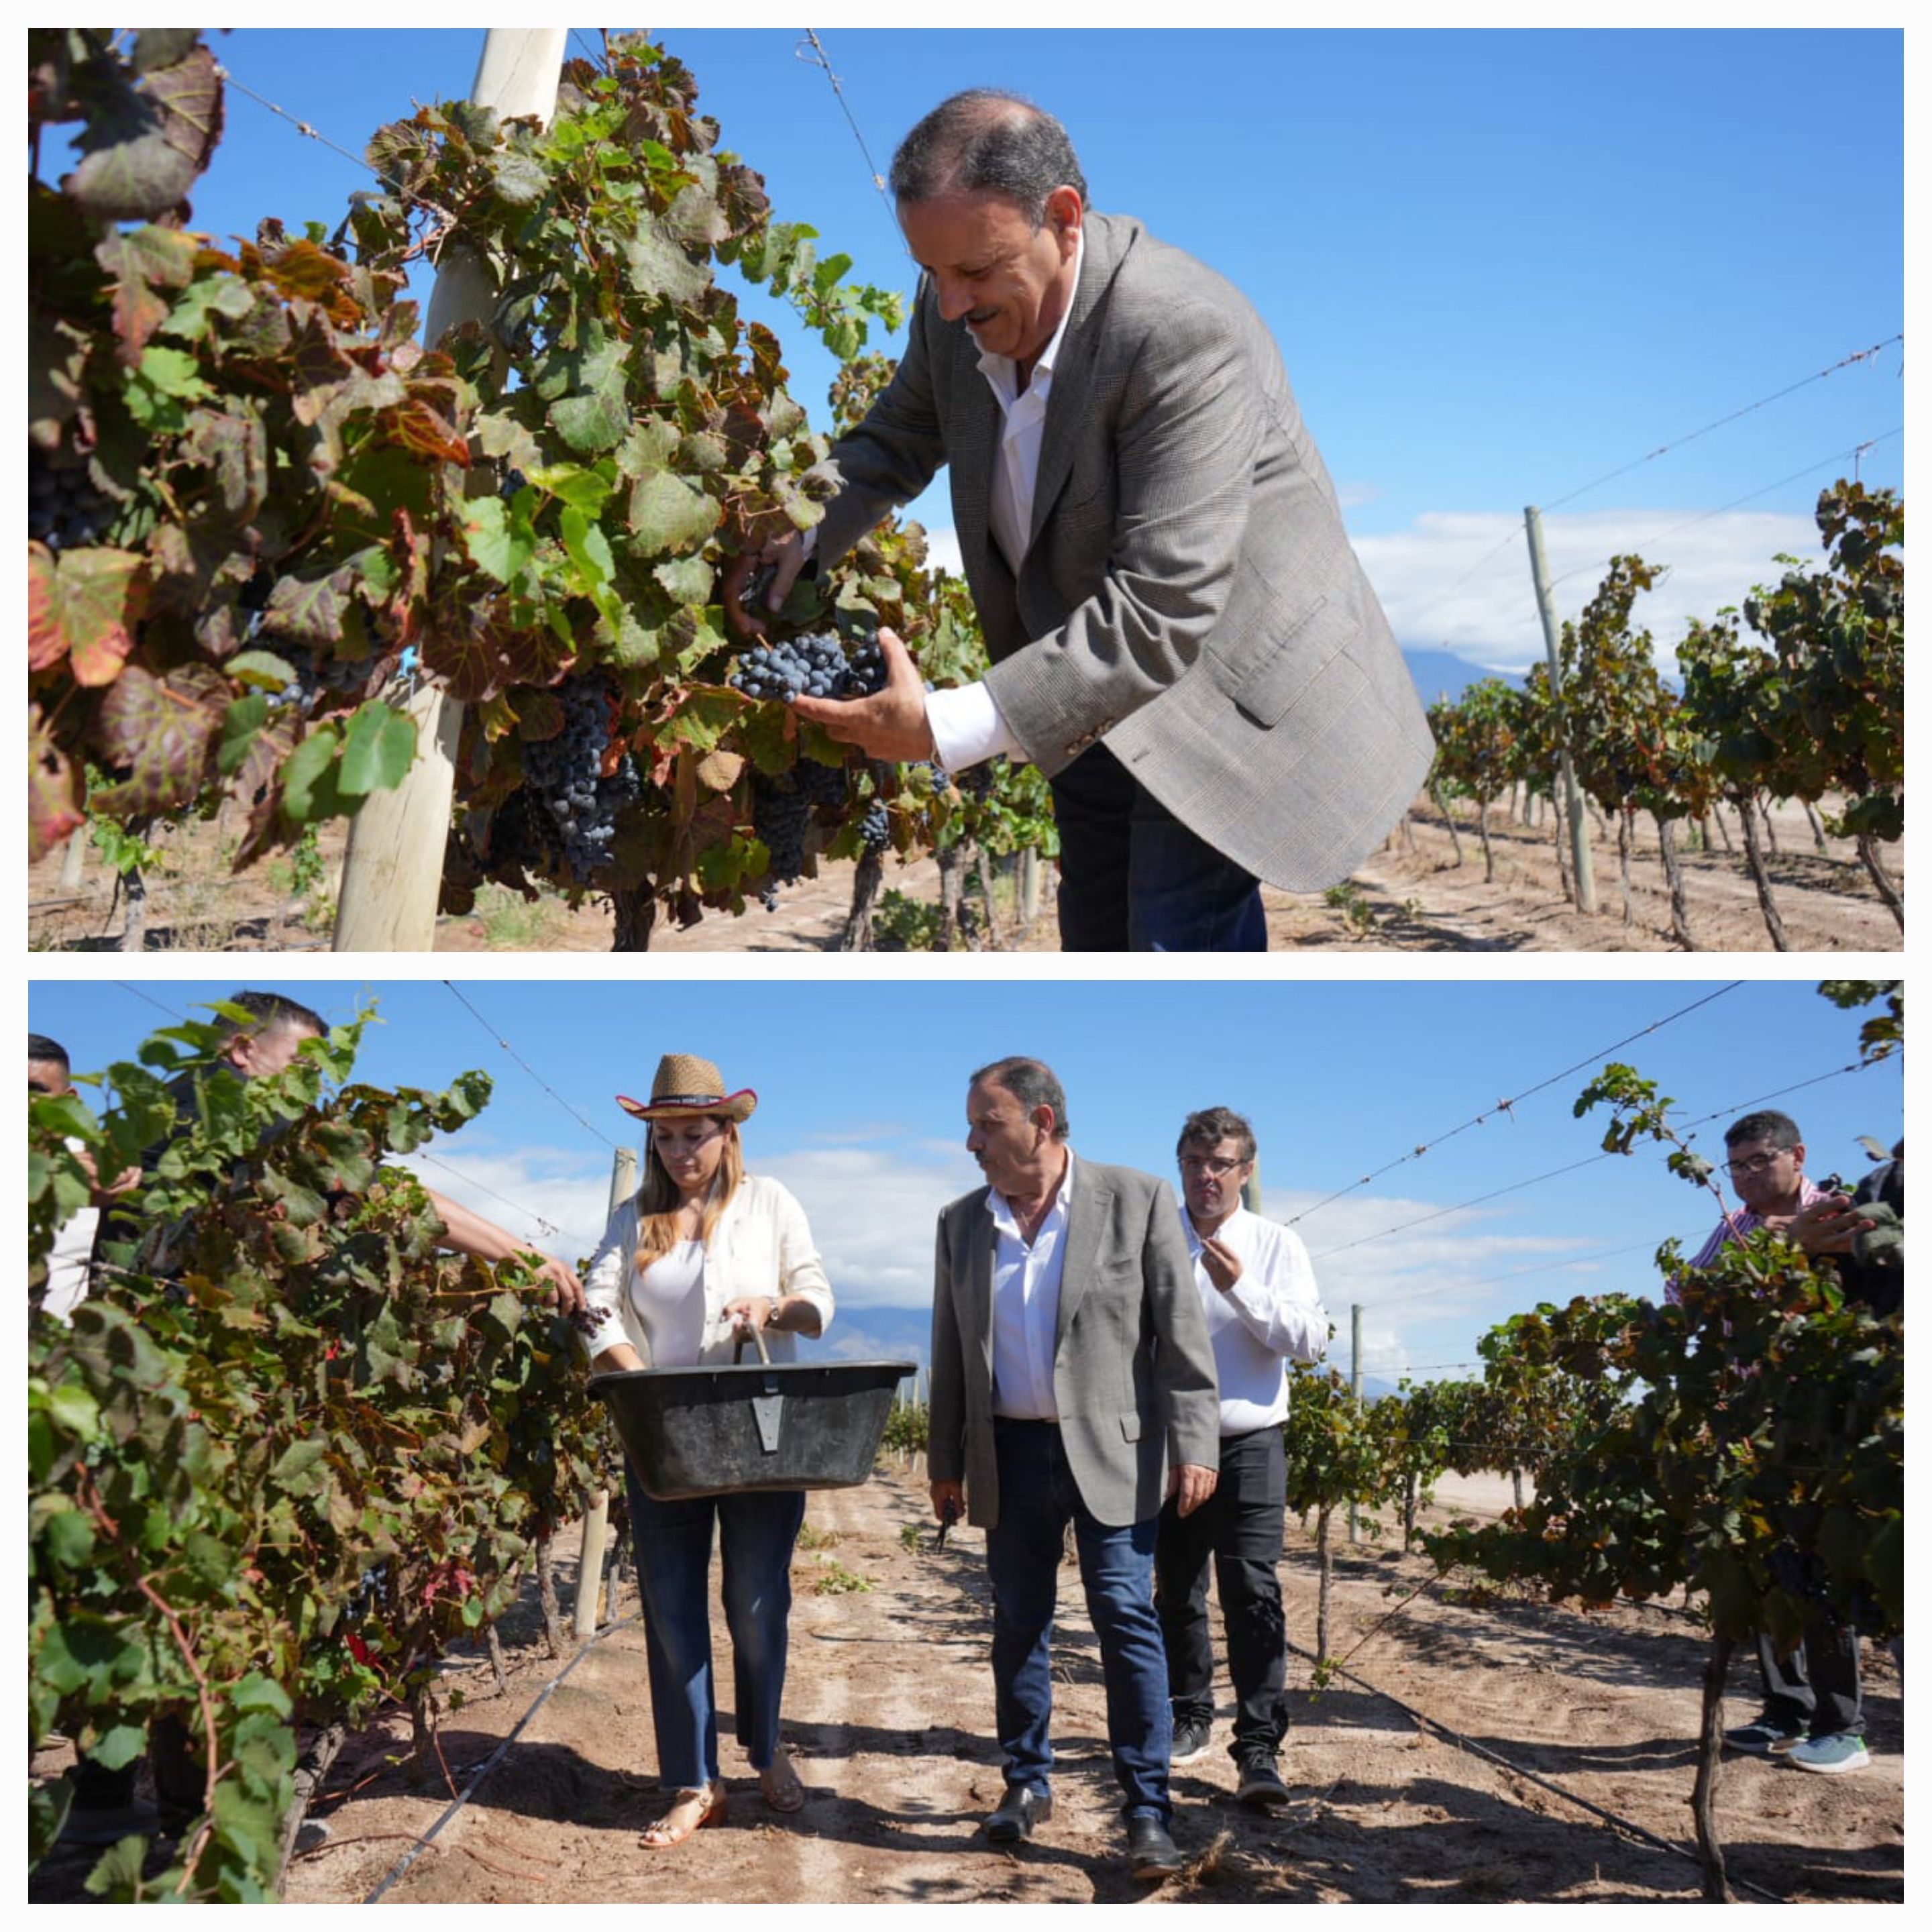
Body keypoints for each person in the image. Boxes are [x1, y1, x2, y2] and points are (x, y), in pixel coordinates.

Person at [728, 89, 1434, 953]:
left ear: (1063, 218)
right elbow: (896, 439)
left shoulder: (1180, 329)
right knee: (1098, 939)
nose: (950, 305)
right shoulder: (951, 309)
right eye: (932, 273)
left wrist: (945, 726)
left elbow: (1166, 606)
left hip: (1214, 692)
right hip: (1079, 690)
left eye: (977, 272)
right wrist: (793, 536)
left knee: (1174, 946)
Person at [928, 1055, 1220, 1880]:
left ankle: (1146, 1811)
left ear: (1043, 1123)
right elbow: (950, 1349)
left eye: (988, 1124)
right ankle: (1026, 1784)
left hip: (1114, 1449)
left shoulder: (1137, 1199)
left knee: (1126, 1619)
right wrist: (944, 1459)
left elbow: (1182, 1336)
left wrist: (1196, 1443)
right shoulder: (961, 1222)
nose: (972, 1141)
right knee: (1018, 1624)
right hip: (1008, 1452)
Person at [580, 1053, 835, 1847]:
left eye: (696, 1135)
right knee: (672, 1612)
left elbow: (819, 1299)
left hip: (759, 1432)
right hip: (663, 1436)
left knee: (757, 1605)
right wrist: (640, 1379)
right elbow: (594, 1305)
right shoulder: (633, 1218)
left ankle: (765, 1750)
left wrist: (775, 1305)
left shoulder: (771, 1203)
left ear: (729, 1135)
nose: (681, 1152)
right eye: (666, 1139)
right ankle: (695, 1781)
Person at [92, 991, 584, 1315]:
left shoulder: (182, 1099)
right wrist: (519, 1256)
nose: (312, 1087)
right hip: (160, 1318)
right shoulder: (228, 1095)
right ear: (244, 1050)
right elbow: (380, 1193)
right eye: (301, 1065)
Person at [1680, 1111, 1872, 1776]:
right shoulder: (1734, 1228)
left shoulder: (1839, 1212)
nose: (1746, 1175)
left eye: (1759, 1161)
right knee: (1770, 1568)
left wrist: (1790, 1247)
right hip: (1752, 1425)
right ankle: (1784, 1711)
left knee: (1819, 1576)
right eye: (1736, 1166)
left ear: (1797, 1155)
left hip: (1824, 1425)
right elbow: (1683, 1290)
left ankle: (1841, 1725)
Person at [1152, 1108, 1327, 1809]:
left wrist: (1243, 1290)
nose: (1206, 1176)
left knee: (1253, 1592)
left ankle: (1258, 1748)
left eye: (1220, 1163)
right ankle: (1189, 1713)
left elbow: (1311, 1339)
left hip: (1252, 1440)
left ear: (1245, 1172)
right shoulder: (1155, 1240)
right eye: (1194, 1161)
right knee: (1177, 1590)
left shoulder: (1276, 1245)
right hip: (1172, 1442)